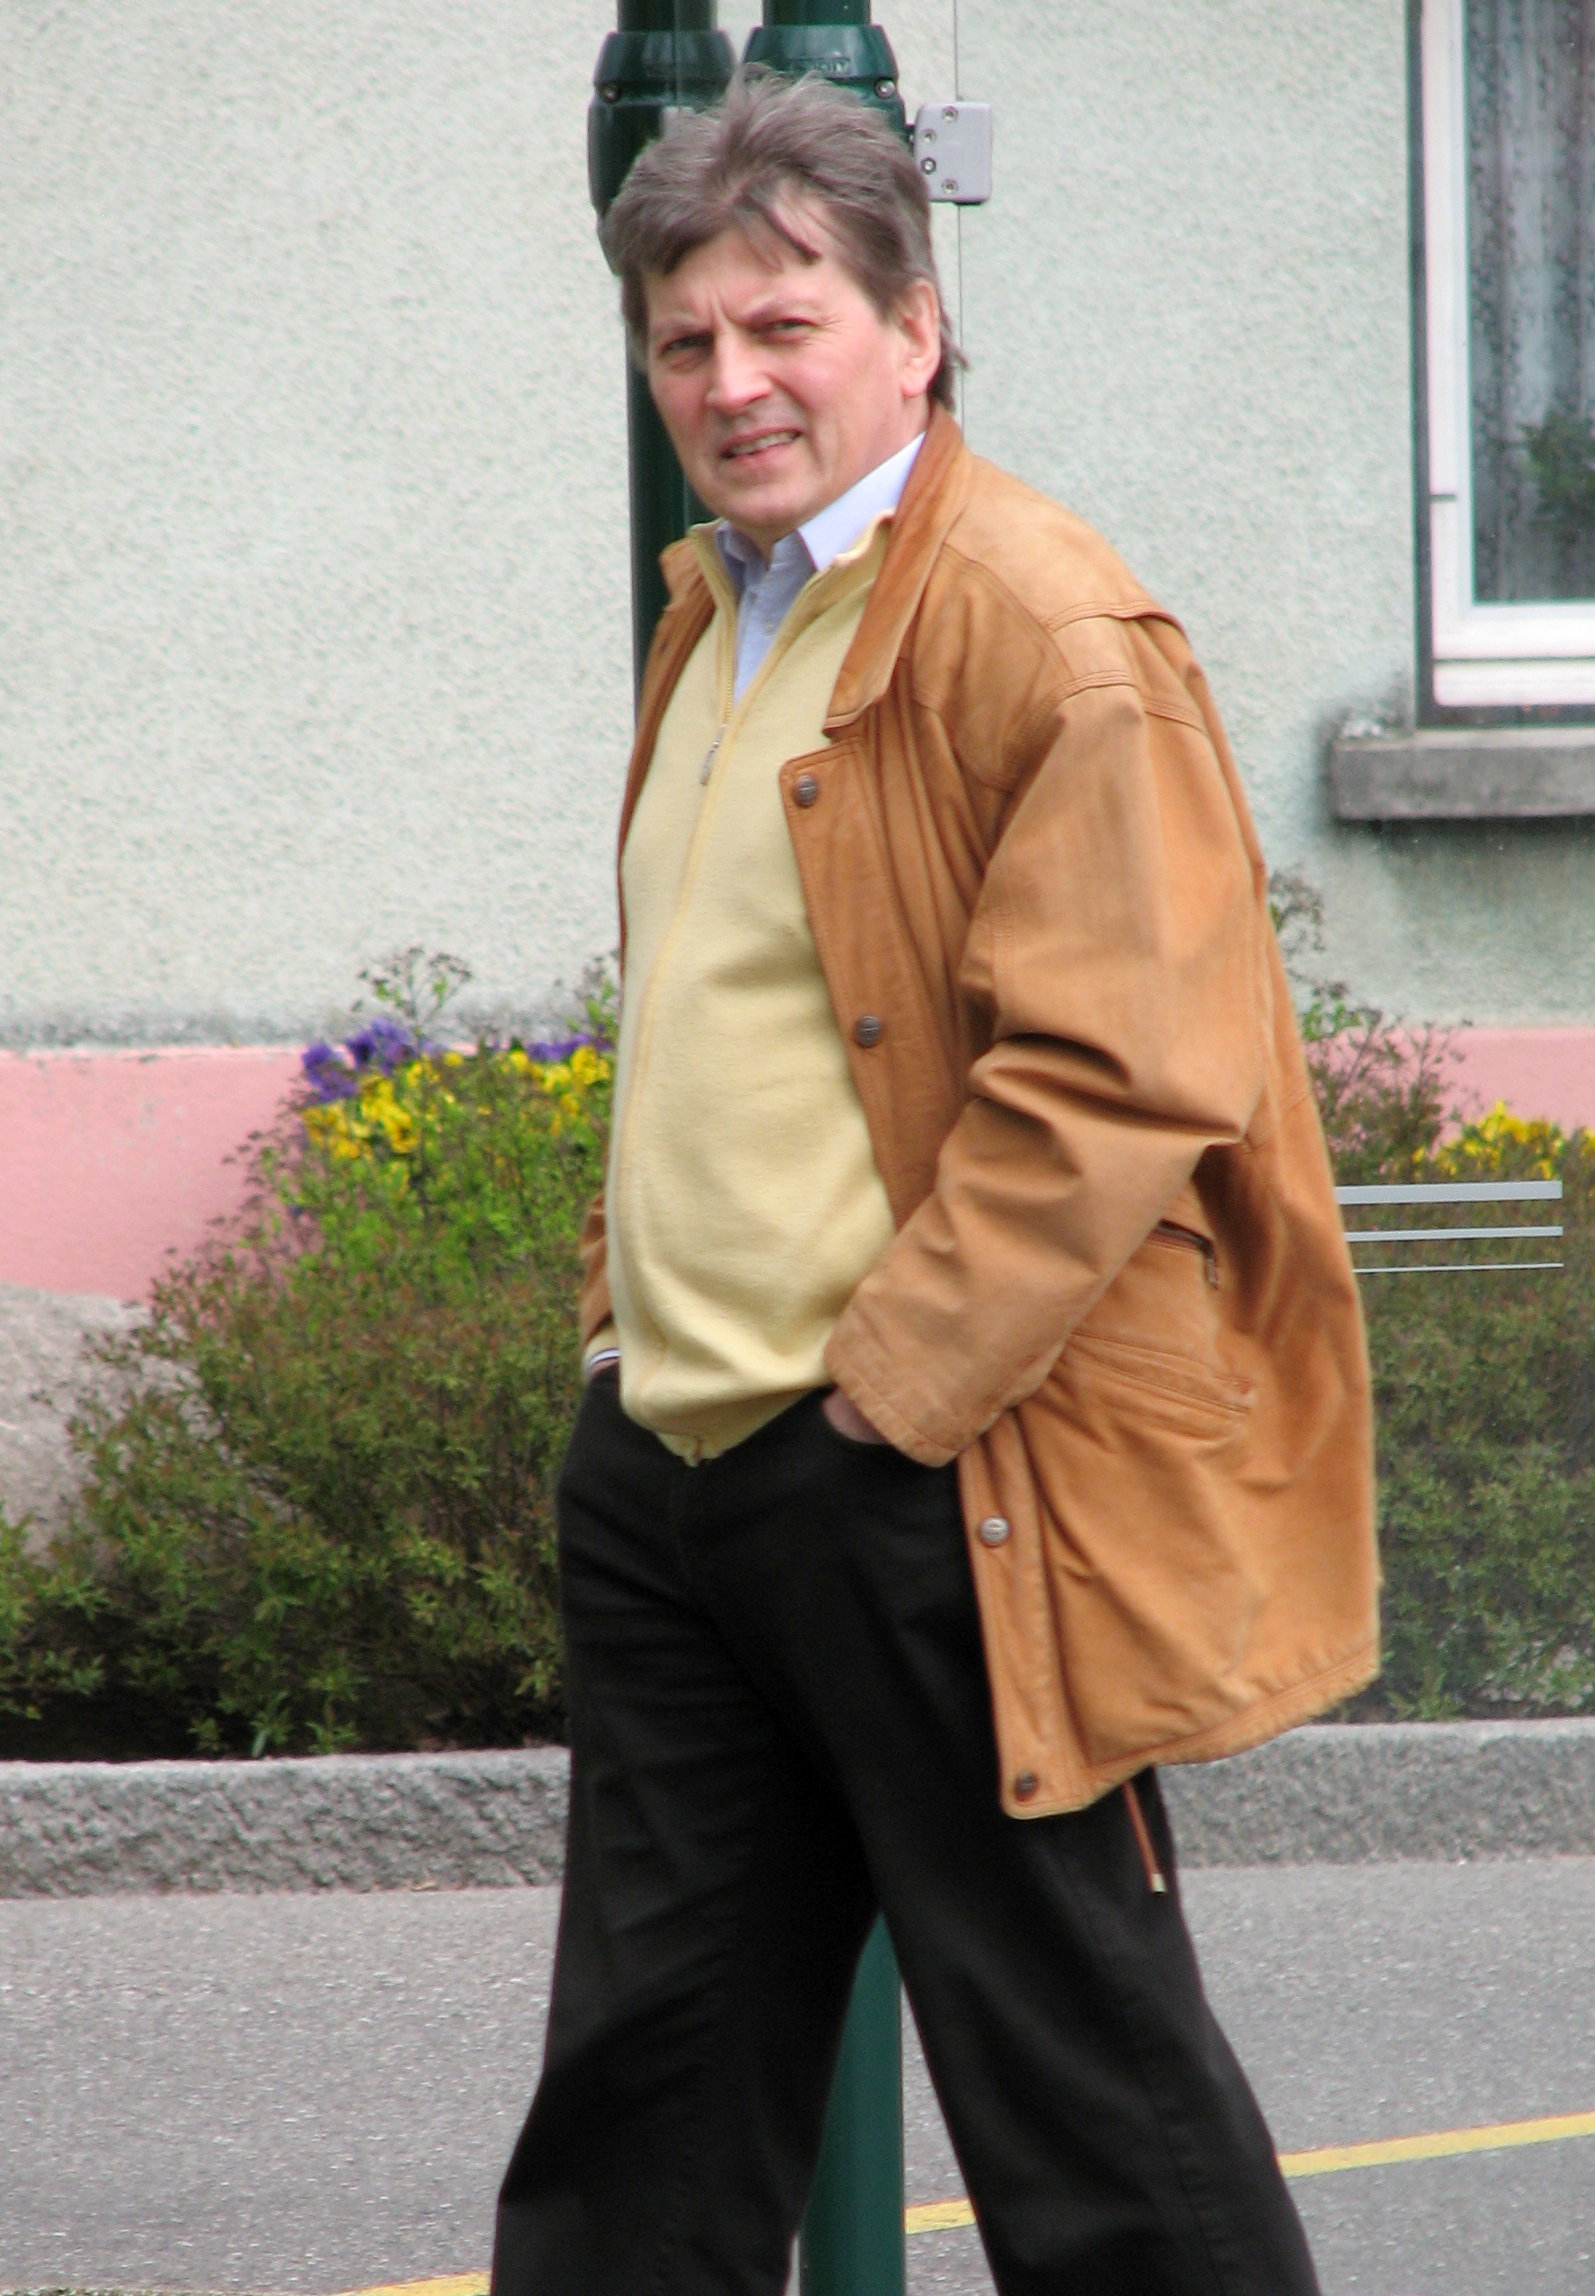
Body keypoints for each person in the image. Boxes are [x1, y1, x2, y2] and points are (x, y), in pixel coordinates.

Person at [492, 70, 1376, 2296]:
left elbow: (1121, 1072)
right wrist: (622, 1338)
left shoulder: (1039, 624)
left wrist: (884, 1400)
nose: (730, 379)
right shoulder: (722, 612)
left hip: (920, 1473)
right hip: (675, 1471)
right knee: (645, 2114)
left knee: (1087, 2102)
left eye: (783, 323)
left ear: (915, 327)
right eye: (685, 338)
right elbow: (711, 1010)